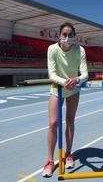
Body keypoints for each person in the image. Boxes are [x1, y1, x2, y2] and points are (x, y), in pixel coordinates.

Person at [42, 22, 88, 177]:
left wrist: (76, 80)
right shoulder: (52, 49)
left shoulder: (79, 50)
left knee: (70, 120)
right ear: (59, 35)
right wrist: (65, 82)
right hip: (57, 88)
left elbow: (85, 74)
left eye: (70, 35)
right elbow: (51, 73)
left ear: (75, 36)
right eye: (64, 34)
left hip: (73, 89)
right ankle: (49, 161)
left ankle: (68, 154)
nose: (67, 38)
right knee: (53, 122)